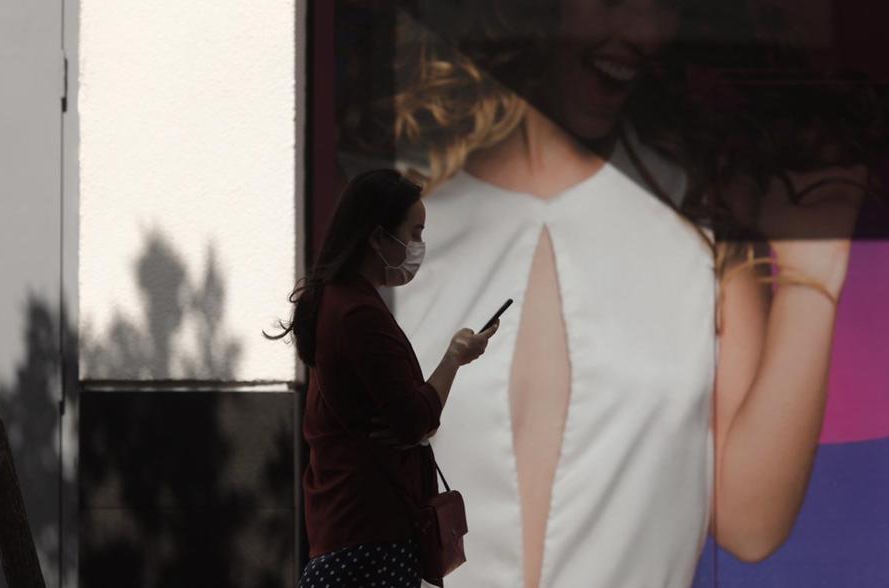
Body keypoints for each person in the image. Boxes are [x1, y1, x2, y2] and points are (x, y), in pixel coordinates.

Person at [349, 1, 880, 586]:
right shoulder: (404, 239)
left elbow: (750, 524)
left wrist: (815, 269)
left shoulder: (700, 233)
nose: (644, 30)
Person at [267, 169, 499, 587]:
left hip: (348, 531)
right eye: (414, 233)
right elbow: (415, 418)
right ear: (376, 238)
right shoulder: (358, 314)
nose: (418, 247)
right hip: (371, 537)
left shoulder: (337, 302)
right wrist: (454, 358)